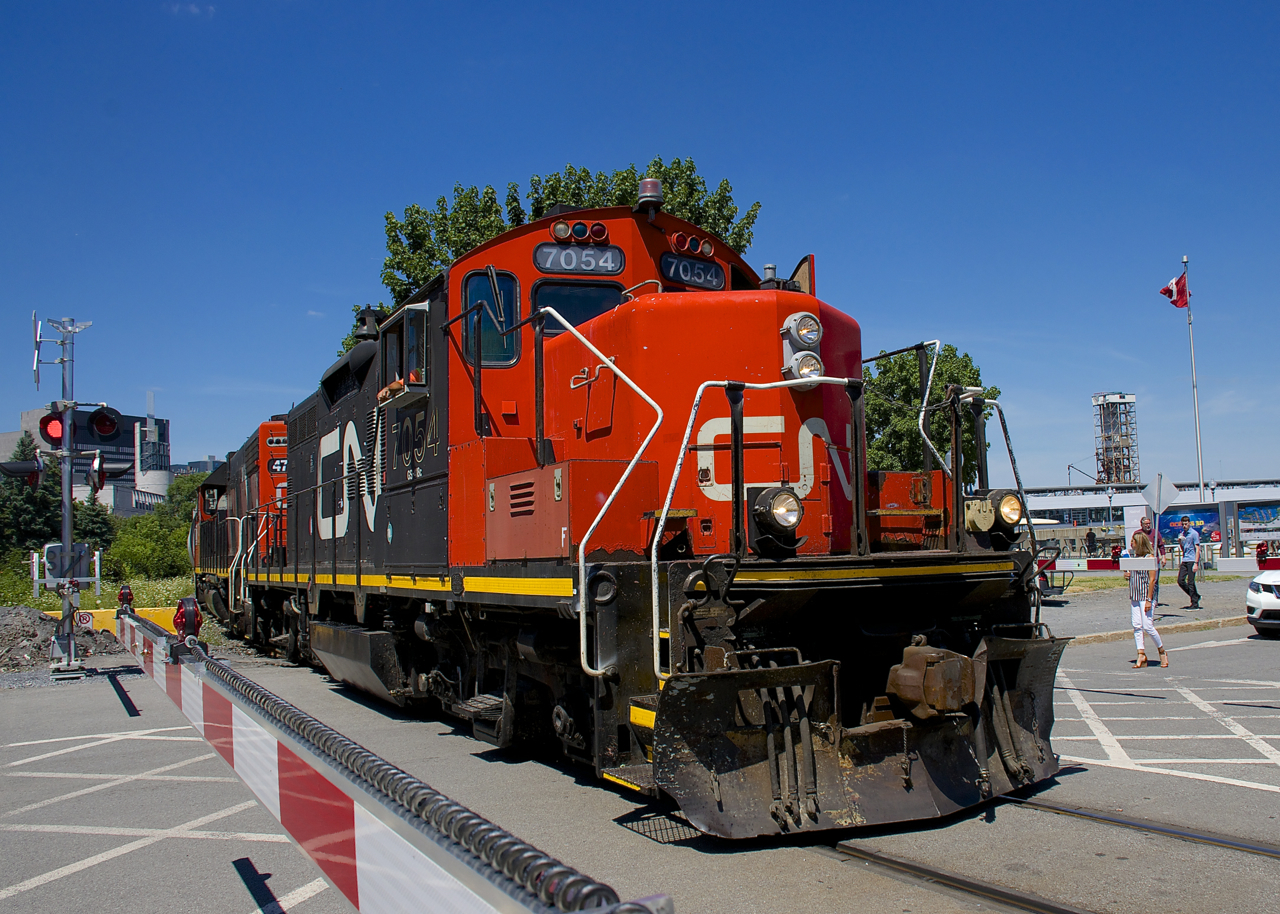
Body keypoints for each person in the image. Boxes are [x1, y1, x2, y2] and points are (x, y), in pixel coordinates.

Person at [1125, 531, 1167, 668]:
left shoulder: (1149, 558)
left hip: (1145, 595)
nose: (1131, 543)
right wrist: (1127, 574)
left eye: (1134, 541)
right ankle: (1141, 654)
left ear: (1140, 543)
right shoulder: (1132, 557)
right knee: (1137, 625)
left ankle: (1161, 651)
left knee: (1147, 625)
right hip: (1135, 594)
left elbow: (1152, 580)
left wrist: (1149, 599)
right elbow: (1129, 574)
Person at [1176, 515, 1201, 609]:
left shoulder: (1194, 533)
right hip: (1185, 559)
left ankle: (1194, 603)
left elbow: (1197, 549)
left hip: (1192, 559)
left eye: (1186, 524)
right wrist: (1180, 542)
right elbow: (1183, 549)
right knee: (1180, 581)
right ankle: (1195, 596)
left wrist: (1196, 563)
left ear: (1189, 523)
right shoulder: (1183, 534)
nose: (1184, 526)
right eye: (1183, 524)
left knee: (1190, 582)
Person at [1140, 515, 1162, 607]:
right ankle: (1145, 598)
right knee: (1145, 581)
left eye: (1149, 523)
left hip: (1154, 560)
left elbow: (1161, 545)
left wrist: (1163, 556)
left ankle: (1154, 599)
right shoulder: (1138, 534)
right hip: (1142, 561)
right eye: (1146, 524)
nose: (1148, 525)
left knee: (1155, 580)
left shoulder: (1155, 533)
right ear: (1141, 525)